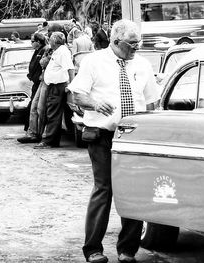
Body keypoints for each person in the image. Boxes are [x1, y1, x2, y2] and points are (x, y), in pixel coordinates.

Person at [67, 19, 160, 263]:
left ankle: (127, 249)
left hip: (135, 135)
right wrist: (95, 103)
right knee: (104, 188)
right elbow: (77, 94)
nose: (136, 48)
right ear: (116, 42)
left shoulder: (142, 64)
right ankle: (93, 249)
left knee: (134, 191)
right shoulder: (94, 61)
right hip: (103, 135)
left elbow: (152, 101)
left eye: (138, 44)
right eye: (132, 44)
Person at [34, 32, 74, 149]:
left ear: (56, 41)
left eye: (50, 39)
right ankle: (52, 140)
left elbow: (70, 68)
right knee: (52, 112)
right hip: (54, 86)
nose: (49, 41)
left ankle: (49, 140)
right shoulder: (58, 51)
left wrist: (71, 85)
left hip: (58, 86)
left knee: (53, 113)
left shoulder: (63, 51)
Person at [17, 33, 48, 142]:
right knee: (33, 107)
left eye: (32, 41)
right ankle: (32, 131)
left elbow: (42, 65)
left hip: (40, 82)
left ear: (38, 42)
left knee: (35, 107)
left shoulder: (44, 50)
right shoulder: (38, 51)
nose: (31, 43)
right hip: (36, 82)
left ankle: (34, 133)